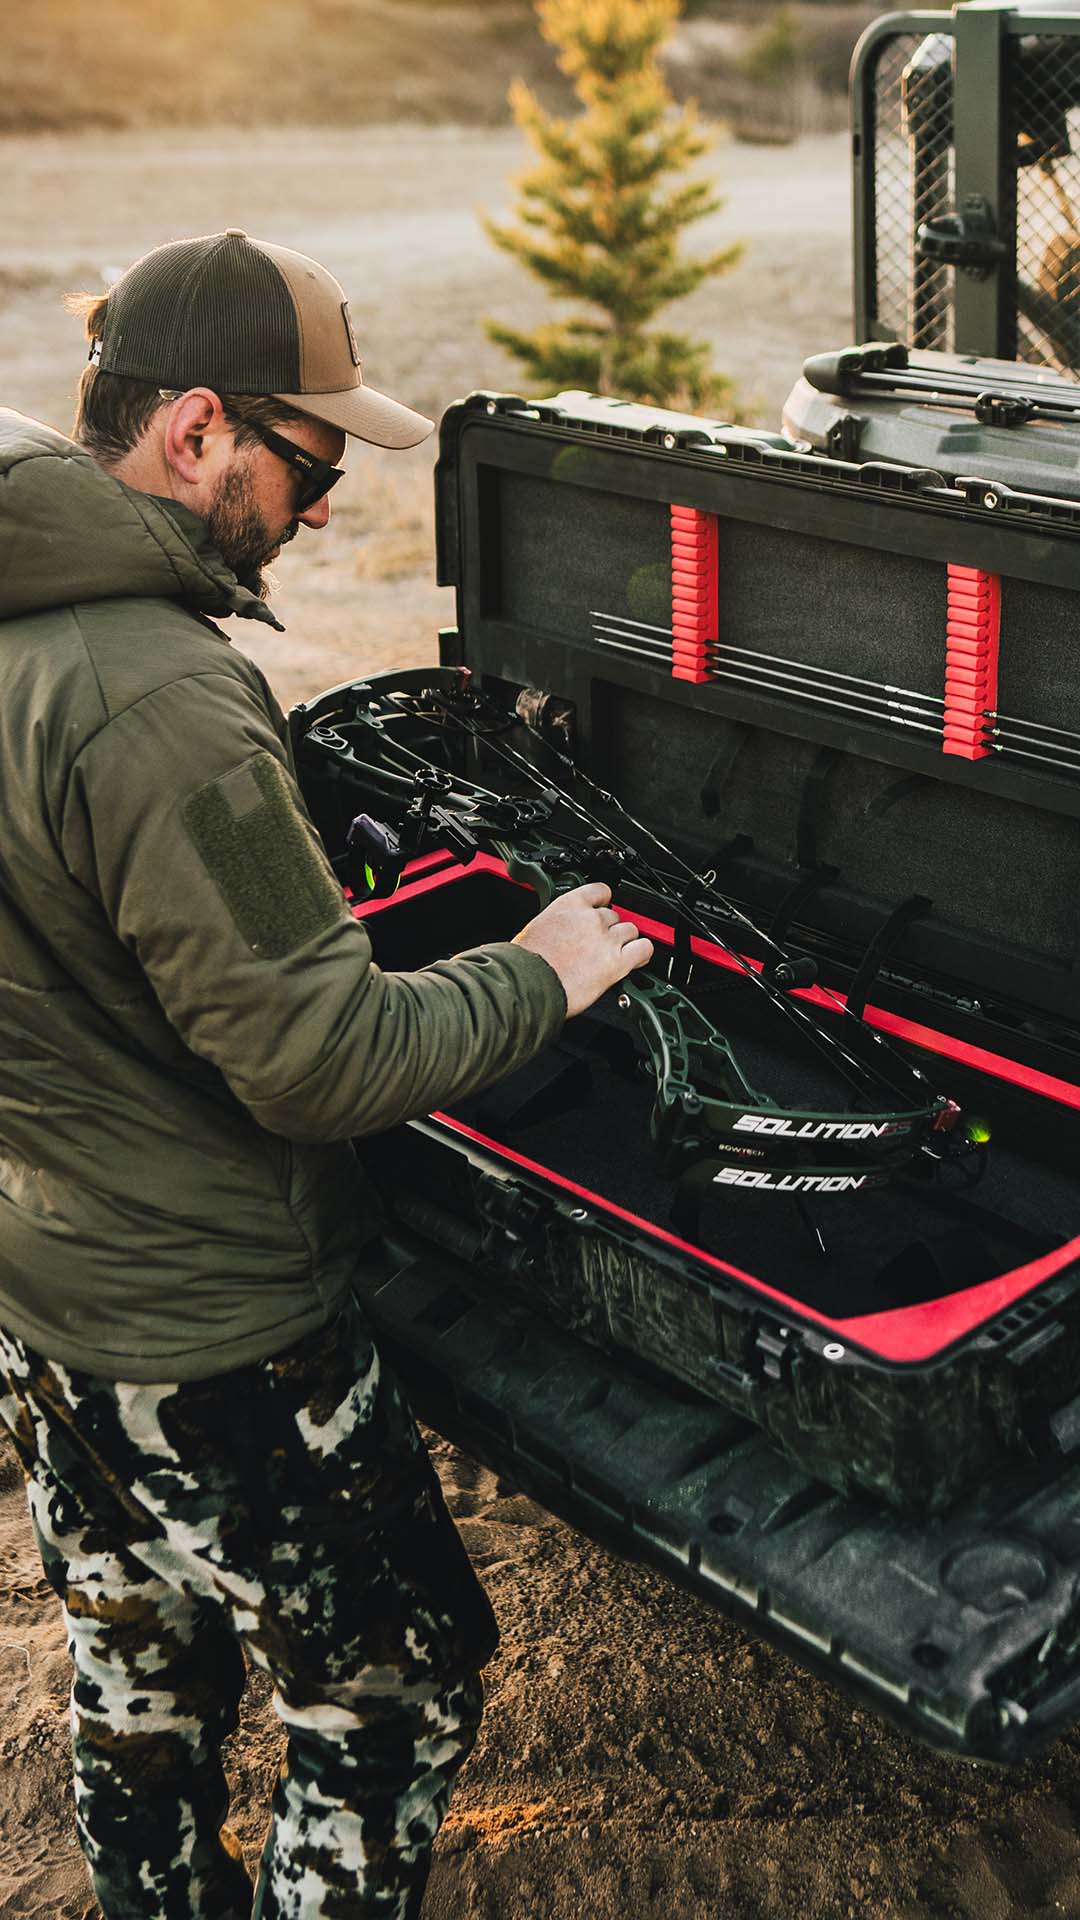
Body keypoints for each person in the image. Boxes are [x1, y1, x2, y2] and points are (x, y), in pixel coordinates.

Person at [0, 230, 652, 1920]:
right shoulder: (154, 697)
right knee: (393, 1684)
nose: (331, 500)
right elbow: (320, 1057)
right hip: (220, 1328)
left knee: (137, 1635)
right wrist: (542, 968)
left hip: (49, 1280)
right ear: (197, 431)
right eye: (311, 458)